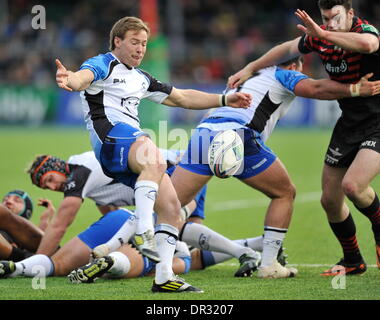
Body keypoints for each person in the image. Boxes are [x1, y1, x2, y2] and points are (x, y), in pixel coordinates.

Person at [55, 16, 251, 293]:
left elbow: (181, 97)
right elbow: (81, 78)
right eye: (134, 42)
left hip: (128, 149)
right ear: (117, 42)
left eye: (144, 43)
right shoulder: (103, 64)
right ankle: (144, 230)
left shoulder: (141, 78)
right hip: (111, 140)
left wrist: (223, 99)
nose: (140, 48)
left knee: (172, 209)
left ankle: (164, 277)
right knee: (154, 157)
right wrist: (70, 79)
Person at [170, 51, 380, 279]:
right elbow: (317, 89)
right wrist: (354, 89)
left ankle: (144, 248)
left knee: (169, 204)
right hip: (237, 135)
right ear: (294, 66)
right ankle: (269, 264)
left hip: (205, 133)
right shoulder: (284, 74)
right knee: (284, 193)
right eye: (300, 69)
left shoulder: (247, 75)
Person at [227, 0, 380, 275]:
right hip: (349, 122)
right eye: (326, 18)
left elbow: (368, 45)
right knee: (329, 200)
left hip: (378, 120)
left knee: (353, 187)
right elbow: (284, 50)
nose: (330, 23)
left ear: (351, 13)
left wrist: (322, 33)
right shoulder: (319, 38)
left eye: (336, 17)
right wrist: (251, 66)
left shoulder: (364, 31)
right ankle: (353, 260)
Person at [28, 150, 261, 278]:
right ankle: (261, 245)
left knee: (173, 230)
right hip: (182, 170)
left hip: (178, 171)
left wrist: (37, 262)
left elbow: (60, 225)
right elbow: (114, 215)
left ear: (58, 167)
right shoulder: (88, 180)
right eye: (44, 187)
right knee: (188, 255)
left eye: (49, 179)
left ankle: (247, 251)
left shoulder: (79, 173)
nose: (51, 187)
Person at [0, 207, 274, 284]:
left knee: (58, 264)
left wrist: (259, 245)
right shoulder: (189, 257)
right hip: (157, 231)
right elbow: (204, 251)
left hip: (122, 216)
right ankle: (114, 264)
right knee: (168, 265)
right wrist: (264, 245)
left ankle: (18, 269)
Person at [0, 190, 51, 262]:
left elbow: (41, 242)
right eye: (5, 199)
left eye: (17, 201)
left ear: (27, 211)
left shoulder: (24, 239)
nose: (8, 202)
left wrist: (45, 219)